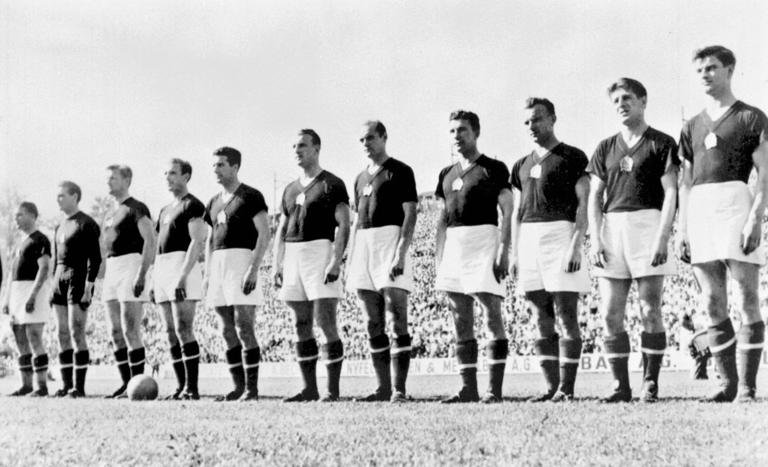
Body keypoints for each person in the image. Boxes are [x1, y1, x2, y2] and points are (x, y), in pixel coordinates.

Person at [677, 45, 768, 402]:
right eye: (700, 70)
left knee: (746, 297)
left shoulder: (751, 117)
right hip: (701, 207)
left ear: (730, 70)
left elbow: (764, 175)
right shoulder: (691, 125)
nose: (705, 74)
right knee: (712, 302)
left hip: (736, 204)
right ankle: (725, 383)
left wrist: (755, 218)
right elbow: (685, 183)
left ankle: (746, 386)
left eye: (712, 68)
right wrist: (682, 229)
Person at [587, 78, 679, 402]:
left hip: (647, 222)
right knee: (610, 314)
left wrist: (662, 236)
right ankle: (619, 385)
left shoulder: (662, 143)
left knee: (649, 308)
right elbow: (595, 197)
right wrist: (595, 239)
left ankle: (650, 382)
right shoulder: (605, 147)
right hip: (613, 228)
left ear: (643, 101)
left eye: (627, 98)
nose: (621, 105)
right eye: (616, 101)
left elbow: (671, 193)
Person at [510, 98, 590, 402]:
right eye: (528, 121)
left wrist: (576, 244)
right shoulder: (521, 164)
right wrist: (516, 252)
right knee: (538, 315)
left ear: (553, 119)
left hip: (560, 233)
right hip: (529, 238)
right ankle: (549, 387)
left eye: (538, 119)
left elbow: (584, 203)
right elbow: (518, 212)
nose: (532, 126)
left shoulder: (572, 157)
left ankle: (566, 388)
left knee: (565, 313)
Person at [435, 110, 513, 403]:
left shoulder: (493, 167)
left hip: (484, 240)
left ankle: (493, 390)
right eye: (452, 131)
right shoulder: (446, 173)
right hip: (455, 244)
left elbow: (508, 209)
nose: (457, 136)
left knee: (491, 311)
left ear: (476, 133)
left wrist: (505, 248)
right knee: (460, 317)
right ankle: (468, 388)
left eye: (463, 130)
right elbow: (442, 218)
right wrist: (438, 257)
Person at [274, 129, 350, 402]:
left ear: (317, 148)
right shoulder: (290, 189)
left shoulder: (332, 183)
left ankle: (332, 390)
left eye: (303, 145)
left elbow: (344, 225)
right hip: (293, 254)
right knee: (299, 323)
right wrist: (277, 264)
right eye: (294, 146)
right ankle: (308, 388)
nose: (297, 150)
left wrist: (335, 261)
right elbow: (281, 229)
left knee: (325, 320)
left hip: (320, 250)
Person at [347, 121, 418, 402]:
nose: (366, 143)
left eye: (371, 138)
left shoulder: (400, 171)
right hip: (364, 244)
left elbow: (410, 214)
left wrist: (401, 251)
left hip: (390, 242)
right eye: (362, 139)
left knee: (397, 317)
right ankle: (382, 387)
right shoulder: (359, 178)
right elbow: (355, 222)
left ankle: (399, 389)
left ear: (384, 138)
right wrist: (351, 257)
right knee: (371, 322)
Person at [205, 147, 270, 401]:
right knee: (226, 329)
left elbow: (264, 234)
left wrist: (253, 269)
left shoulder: (251, 196)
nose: (216, 170)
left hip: (241, 261)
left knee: (244, 326)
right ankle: (237, 386)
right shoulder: (212, 201)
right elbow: (211, 240)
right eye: (214, 166)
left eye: (221, 165)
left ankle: (252, 389)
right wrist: (209, 273)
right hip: (219, 265)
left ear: (235, 167)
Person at [151, 159, 207, 400]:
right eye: (165, 173)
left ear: (186, 176)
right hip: (163, 268)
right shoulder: (164, 210)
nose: (168, 177)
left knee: (184, 328)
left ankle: (192, 388)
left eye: (173, 173)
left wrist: (182, 275)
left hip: (182, 266)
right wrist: (154, 277)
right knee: (169, 331)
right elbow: (157, 247)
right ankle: (179, 386)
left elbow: (197, 241)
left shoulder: (193, 205)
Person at [102, 164, 156, 398]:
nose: (108, 182)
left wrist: (142, 274)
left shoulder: (136, 207)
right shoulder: (109, 213)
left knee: (129, 329)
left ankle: (136, 383)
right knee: (114, 331)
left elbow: (150, 240)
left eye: (113, 178)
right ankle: (126, 384)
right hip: (113, 267)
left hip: (131, 264)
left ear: (127, 180)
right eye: (108, 179)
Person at [50, 181, 102, 398]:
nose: (58, 199)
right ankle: (65, 384)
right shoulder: (59, 226)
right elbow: (55, 261)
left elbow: (96, 258)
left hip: (77, 278)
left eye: (62, 195)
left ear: (75, 196)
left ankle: (78, 387)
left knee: (76, 331)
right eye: (57, 196)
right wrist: (52, 288)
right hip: (59, 280)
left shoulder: (86, 223)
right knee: (61, 333)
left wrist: (89, 287)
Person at [2, 202, 52, 396]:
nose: (16, 219)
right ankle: (26, 385)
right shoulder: (20, 242)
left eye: (20, 215)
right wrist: (6, 299)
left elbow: (44, 268)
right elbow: (11, 275)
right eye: (16, 216)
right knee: (19, 337)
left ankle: (42, 386)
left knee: (34, 336)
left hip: (32, 291)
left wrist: (33, 295)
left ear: (32, 215)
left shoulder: (40, 239)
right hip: (17, 292)